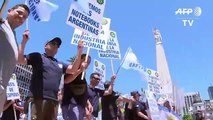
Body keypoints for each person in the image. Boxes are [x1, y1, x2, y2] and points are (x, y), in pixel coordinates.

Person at [18, 37, 84, 120]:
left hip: (53, 102)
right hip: (37, 99)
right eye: (53, 43)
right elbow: (20, 60)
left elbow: (73, 70)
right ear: (45, 46)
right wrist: (24, 41)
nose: (56, 45)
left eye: (58, 45)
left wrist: (79, 51)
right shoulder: (38, 57)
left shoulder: (59, 64)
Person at [0, 3, 30, 113]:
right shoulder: (2, 23)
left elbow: (17, 60)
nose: (22, 17)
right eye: (19, 12)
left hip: (3, 87)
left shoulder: (13, 34)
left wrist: (23, 42)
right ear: (9, 11)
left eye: (25, 17)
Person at [61, 54, 93, 120]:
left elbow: (83, 91)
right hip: (71, 104)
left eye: (89, 62)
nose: (87, 64)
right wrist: (80, 70)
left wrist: (88, 104)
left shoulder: (83, 76)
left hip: (80, 105)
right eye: (86, 61)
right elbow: (66, 80)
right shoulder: (71, 69)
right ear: (80, 60)